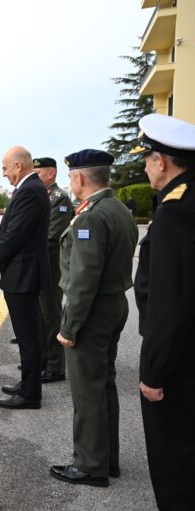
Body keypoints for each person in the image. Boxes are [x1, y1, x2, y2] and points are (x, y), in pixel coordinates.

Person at [48, 149, 137, 488]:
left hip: (93, 312)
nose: (70, 183)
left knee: (87, 391)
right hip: (114, 305)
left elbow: (84, 279)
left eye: (71, 177)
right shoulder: (118, 209)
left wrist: (69, 327)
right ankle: (107, 458)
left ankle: (89, 465)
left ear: (81, 178)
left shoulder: (90, 217)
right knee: (104, 385)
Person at [132, 113, 195, 509]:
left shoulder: (175, 210)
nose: (144, 166)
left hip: (180, 362)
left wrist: (154, 372)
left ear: (162, 161)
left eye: (146, 158)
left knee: (175, 463)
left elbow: (169, 301)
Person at [0, 146, 49, 410]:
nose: (3, 174)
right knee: (27, 334)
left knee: (28, 336)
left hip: (23, 274)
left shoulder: (30, 190)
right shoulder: (31, 188)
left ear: (17, 166)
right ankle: (28, 383)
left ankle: (30, 393)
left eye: (4, 168)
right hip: (22, 272)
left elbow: (16, 234)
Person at [33, 157, 74, 383]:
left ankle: (56, 367)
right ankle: (42, 360)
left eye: (39, 173)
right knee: (39, 316)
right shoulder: (42, 197)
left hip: (50, 266)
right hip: (39, 265)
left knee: (51, 317)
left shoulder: (60, 199)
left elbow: (51, 237)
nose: (36, 177)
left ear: (52, 173)